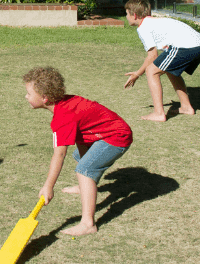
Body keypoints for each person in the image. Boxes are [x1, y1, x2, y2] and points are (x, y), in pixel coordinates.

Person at [23, 67, 132, 236]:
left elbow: (59, 155)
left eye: (29, 94)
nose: (26, 97)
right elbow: (81, 135)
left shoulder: (62, 118)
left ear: (44, 98)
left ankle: (88, 224)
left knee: (85, 170)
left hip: (117, 136)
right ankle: (85, 186)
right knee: (81, 160)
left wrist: (48, 186)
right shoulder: (64, 104)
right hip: (106, 133)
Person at [123, 0, 200, 122]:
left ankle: (159, 113)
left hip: (187, 46)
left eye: (126, 14)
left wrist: (137, 73)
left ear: (134, 15)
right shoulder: (155, 21)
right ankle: (186, 107)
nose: (126, 17)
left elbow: (152, 56)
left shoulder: (143, 27)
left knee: (152, 70)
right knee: (169, 68)